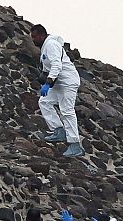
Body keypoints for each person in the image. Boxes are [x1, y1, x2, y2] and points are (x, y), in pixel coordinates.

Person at [30, 24, 84, 157]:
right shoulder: (45, 48)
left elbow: (56, 65)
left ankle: (75, 144)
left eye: (35, 37)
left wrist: (48, 83)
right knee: (44, 102)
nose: (33, 40)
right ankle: (59, 131)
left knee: (67, 110)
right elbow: (49, 67)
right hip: (59, 84)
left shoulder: (51, 45)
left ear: (42, 35)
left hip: (67, 82)